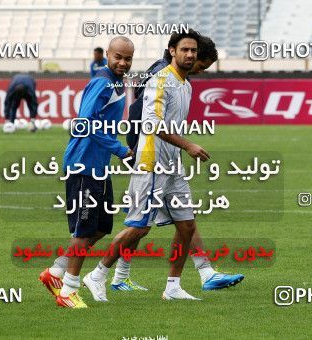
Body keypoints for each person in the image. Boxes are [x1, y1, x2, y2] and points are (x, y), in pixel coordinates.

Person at [81, 29, 219, 302]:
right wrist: (188, 145)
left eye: (193, 50)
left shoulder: (186, 84)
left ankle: (173, 286)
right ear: (172, 51)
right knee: (140, 227)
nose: (190, 54)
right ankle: (97, 274)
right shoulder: (160, 80)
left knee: (187, 225)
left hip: (172, 165)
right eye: (184, 50)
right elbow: (152, 124)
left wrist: (179, 152)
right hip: (151, 162)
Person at [39, 36, 135, 308]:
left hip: (99, 166)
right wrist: (121, 150)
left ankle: (56, 271)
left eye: (128, 59)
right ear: (108, 54)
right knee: (83, 230)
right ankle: (68, 291)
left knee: (102, 226)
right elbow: (85, 123)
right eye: (118, 57)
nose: (123, 62)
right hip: (83, 165)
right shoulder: (102, 82)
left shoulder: (118, 82)